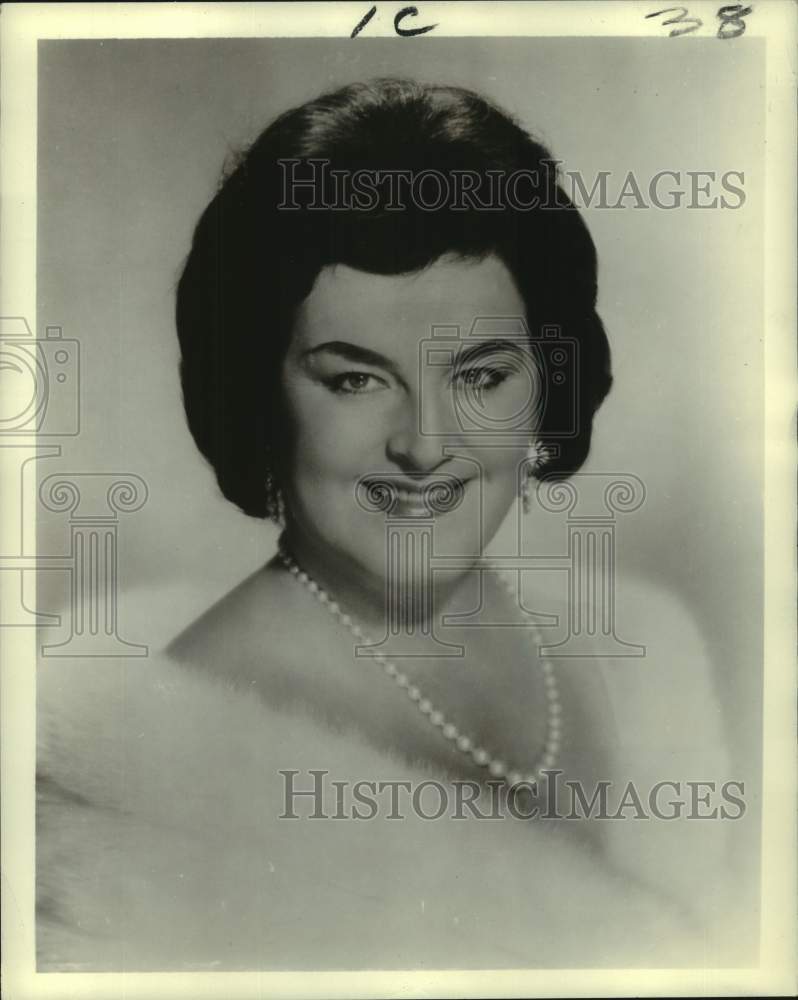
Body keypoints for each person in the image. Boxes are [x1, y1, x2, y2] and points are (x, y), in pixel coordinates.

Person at [37, 78, 742, 971]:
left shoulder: (643, 658)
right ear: (254, 392)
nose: (426, 444)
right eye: (355, 379)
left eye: (482, 376)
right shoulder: (134, 801)